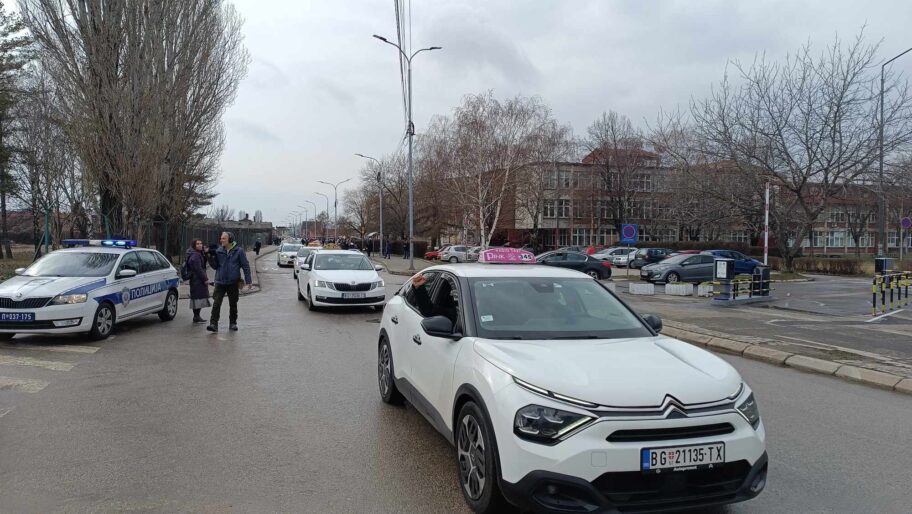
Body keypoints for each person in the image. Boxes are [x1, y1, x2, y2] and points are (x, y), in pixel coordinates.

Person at [207, 232, 252, 332]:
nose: (221, 240)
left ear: (230, 240)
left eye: (223, 239)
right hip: (220, 282)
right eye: (221, 238)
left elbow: (245, 266)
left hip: (233, 282)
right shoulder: (219, 251)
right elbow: (215, 266)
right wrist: (210, 257)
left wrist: (248, 281)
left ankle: (233, 323)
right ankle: (213, 324)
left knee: (233, 304)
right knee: (216, 303)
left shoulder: (239, 251)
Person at [186, 239, 210, 323]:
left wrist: (206, 253)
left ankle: (197, 316)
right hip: (197, 280)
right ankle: (196, 316)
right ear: (194, 245)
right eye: (198, 244)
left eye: (201, 243)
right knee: (197, 298)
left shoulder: (197, 253)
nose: (200, 245)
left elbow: (203, 264)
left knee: (198, 298)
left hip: (197, 279)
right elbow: (199, 269)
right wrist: (205, 279)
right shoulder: (195, 255)